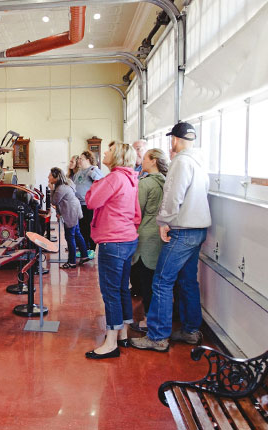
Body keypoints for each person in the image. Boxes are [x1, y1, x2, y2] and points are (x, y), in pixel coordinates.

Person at [130, 122, 211, 352]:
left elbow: (173, 195)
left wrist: (163, 221)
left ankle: (157, 336)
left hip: (182, 230)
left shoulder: (181, 162)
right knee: (187, 282)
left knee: (161, 282)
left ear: (174, 140)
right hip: (199, 229)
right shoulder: (200, 162)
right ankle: (190, 330)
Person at [84, 142, 140, 359]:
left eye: (108, 151)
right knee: (122, 289)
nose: (104, 153)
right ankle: (123, 332)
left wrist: (97, 184)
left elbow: (91, 201)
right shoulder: (130, 178)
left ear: (116, 156)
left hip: (113, 241)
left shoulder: (114, 178)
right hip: (127, 239)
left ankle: (110, 343)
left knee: (111, 293)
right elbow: (136, 213)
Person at [129, 148, 169, 332]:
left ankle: (148, 320)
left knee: (146, 280)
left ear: (153, 161)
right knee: (157, 280)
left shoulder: (145, 184)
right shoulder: (167, 181)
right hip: (162, 234)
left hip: (146, 235)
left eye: (144, 158)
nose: (141, 161)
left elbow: (137, 211)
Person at [48, 167, 88, 269]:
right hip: (73, 210)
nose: (48, 177)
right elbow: (60, 202)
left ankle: (72, 262)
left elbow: (54, 201)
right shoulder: (63, 185)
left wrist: (51, 189)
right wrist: (58, 212)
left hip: (71, 212)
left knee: (70, 237)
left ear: (56, 177)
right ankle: (84, 255)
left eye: (50, 175)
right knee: (77, 234)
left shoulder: (61, 188)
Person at [72, 150, 104, 259]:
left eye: (81, 159)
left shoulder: (93, 170)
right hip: (79, 204)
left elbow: (101, 183)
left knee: (89, 227)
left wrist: (93, 174)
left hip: (89, 205)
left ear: (88, 159)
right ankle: (83, 249)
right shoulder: (79, 173)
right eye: (79, 159)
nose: (79, 161)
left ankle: (91, 250)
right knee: (81, 228)